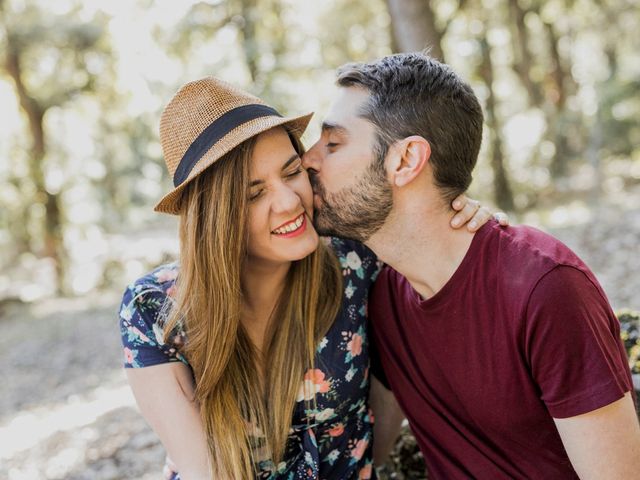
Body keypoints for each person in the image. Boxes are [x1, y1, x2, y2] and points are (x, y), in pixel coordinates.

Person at [118, 77, 496, 479]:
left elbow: (435, 247)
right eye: (253, 193)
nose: (288, 201)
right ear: (212, 219)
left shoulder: (356, 260)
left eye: (291, 170)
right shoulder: (155, 309)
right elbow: (204, 471)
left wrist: (463, 214)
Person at [301, 52, 640, 479]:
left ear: (406, 161)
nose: (308, 159)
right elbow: (370, 449)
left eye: (332, 143)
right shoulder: (384, 295)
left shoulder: (544, 289)